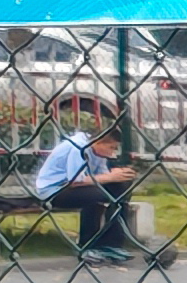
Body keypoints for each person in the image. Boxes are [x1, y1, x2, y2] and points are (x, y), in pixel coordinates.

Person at [34, 112, 151, 264]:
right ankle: (87, 246)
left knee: (121, 187)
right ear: (98, 142)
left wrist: (115, 175)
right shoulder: (77, 147)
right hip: (54, 190)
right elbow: (75, 180)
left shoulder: (98, 152)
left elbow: (102, 176)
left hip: (80, 186)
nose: (113, 153)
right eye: (111, 147)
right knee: (95, 195)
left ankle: (111, 243)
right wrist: (109, 177)